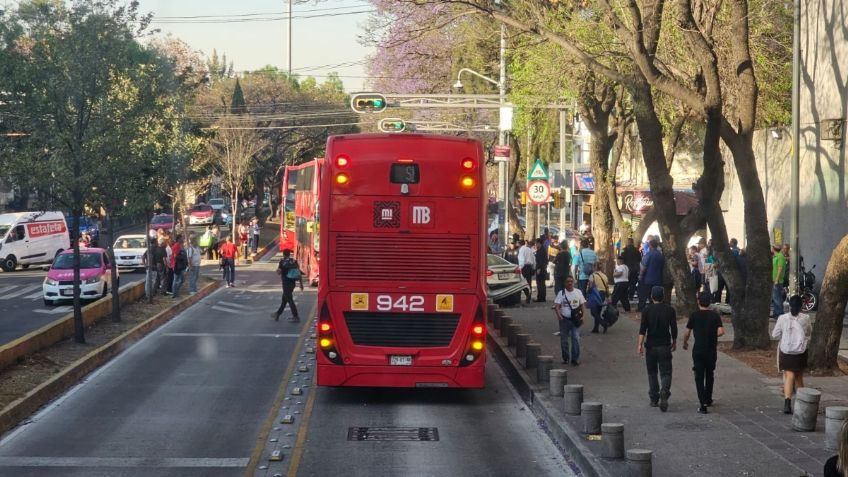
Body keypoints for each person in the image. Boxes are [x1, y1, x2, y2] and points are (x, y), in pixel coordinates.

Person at [682, 293, 725, 414]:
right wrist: (712, 335)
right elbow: (721, 331)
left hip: (698, 349)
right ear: (709, 302)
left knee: (699, 376)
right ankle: (708, 398)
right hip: (711, 349)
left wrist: (685, 342)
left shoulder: (694, 316)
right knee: (710, 374)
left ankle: (702, 403)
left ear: (698, 302)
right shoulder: (714, 316)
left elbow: (687, 332)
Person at [637, 286, 677, 412]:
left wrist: (639, 344)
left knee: (652, 372)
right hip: (664, 344)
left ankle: (654, 398)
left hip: (651, 345)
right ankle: (664, 390)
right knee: (666, 372)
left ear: (652, 297)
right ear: (663, 296)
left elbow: (643, 329)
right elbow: (674, 327)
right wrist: (674, 341)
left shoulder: (647, 310)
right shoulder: (670, 310)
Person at [771, 295, 811, 414]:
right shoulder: (806, 318)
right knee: (798, 376)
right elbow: (808, 332)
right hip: (800, 351)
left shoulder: (783, 318)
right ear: (801, 306)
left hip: (786, 350)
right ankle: (802, 403)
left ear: (789, 305)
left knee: (789, 375)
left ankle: (787, 403)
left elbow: (775, 334)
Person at [554, 276, 586, 365]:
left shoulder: (578, 292)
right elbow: (556, 306)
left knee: (575, 338)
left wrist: (583, 316)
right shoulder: (561, 293)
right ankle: (565, 357)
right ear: (565, 283)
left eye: (571, 281)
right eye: (568, 281)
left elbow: (583, 305)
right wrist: (559, 315)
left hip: (575, 320)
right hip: (564, 320)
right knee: (564, 340)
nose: (570, 283)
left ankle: (575, 359)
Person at [272, 249, 305, 322]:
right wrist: (301, 284)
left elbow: (279, 272)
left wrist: (278, 270)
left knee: (289, 299)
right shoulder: (294, 261)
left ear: (283, 254)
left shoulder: (282, 262)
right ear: (289, 254)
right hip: (292, 283)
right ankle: (277, 314)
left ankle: (295, 316)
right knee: (284, 299)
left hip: (286, 284)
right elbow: (298, 273)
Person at [638, 239, 665, 312]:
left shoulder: (649, 254)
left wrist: (640, 276)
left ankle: (641, 308)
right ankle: (654, 308)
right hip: (658, 279)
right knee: (655, 295)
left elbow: (643, 267)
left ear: (650, 245)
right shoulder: (660, 255)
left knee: (643, 295)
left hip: (647, 279)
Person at [587, 269, 609, 333]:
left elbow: (590, 286)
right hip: (602, 295)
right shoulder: (605, 276)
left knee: (593, 312)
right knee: (598, 312)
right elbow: (607, 287)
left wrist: (588, 293)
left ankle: (603, 323)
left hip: (595, 294)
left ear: (594, 268)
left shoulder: (592, 276)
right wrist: (608, 296)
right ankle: (596, 328)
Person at [771, 244, 787, 318]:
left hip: (777, 281)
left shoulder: (780, 257)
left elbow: (780, 268)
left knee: (778, 298)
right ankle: (775, 313)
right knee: (775, 298)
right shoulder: (775, 256)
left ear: (774, 249)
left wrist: (777, 279)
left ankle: (780, 314)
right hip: (774, 280)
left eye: (772, 247)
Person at [517, 239, 535, 304]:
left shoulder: (521, 250)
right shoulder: (529, 249)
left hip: (524, 268)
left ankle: (520, 298)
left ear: (519, 244)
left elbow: (521, 260)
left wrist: (520, 268)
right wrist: (533, 267)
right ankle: (528, 297)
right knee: (529, 283)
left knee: (521, 283)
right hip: (529, 267)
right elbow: (533, 259)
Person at [534, 238, 548, 302]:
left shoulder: (541, 251)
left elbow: (541, 261)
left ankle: (541, 298)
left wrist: (539, 268)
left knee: (540, 284)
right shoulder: (541, 250)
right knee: (541, 283)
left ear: (539, 243)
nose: (535, 245)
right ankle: (541, 297)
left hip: (540, 269)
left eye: (536, 243)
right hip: (542, 268)